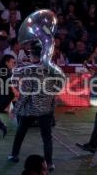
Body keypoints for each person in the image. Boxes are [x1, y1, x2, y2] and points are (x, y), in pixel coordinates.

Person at [8, 43, 64, 173]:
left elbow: (25, 94)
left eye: (30, 55)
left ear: (33, 56)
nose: (29, 57)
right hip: (46, 109)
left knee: (20, 133)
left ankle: (14, 155)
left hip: (30, 110)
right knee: (47, 137)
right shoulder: (51, 69)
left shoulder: (29, 71)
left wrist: (14, 110)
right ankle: (49, 163)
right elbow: (59, 87)